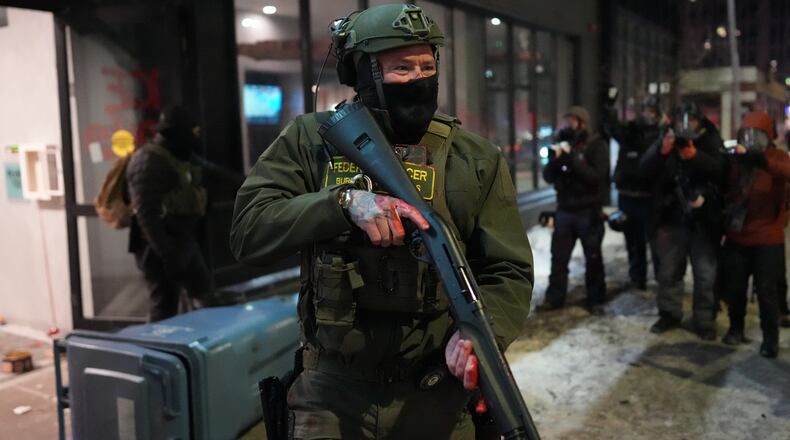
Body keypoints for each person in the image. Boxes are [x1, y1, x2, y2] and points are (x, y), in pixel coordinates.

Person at [229, 4, 534, 439]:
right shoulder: (310, 141)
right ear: (363, 74)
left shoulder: (474, 158)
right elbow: (248, 232)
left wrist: (481, 337)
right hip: (332, 393)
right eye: (401, 67)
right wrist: (341, 204)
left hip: (434, 391)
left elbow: (508, 270)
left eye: (427, 66)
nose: (418, 80)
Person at [126, 106, 235, 321]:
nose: (196, 137)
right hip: (157, 248)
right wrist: (167, 254)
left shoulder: (177, 153)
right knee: (164, 307)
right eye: (193, 132)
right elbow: (147, 216)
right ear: (177, 132)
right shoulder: (148, 162)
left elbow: (215, 173)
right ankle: (157, 352)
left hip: (182, 240)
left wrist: (255, 182)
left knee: (203, 294)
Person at [639, 102, 725, 340]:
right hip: (671, 219)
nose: (687, 127)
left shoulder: (710, 140)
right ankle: (669, 313)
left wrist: (696, 157)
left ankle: (705, 319)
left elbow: (721, 172)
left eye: (692, 121)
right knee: (669, 272)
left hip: (703, 221)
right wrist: (662, 150)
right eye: (682, 122)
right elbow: (644, 169)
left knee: (705, 274)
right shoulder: (667, 139)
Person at [720, 111, 790, 358]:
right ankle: (735, 328)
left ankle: (770, 339)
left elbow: (786, 171)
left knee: (767, 292)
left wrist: (764, 162)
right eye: (747, 135)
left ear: (768, 137)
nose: (751, 140)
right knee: (736, 288)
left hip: (767, 238)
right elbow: (723, 185)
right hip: (738, 236)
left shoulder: (777, 157)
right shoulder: (737, 161)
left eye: (757, 135)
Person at [538, 106, 610, 314]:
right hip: (565, 210)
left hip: (588, 211)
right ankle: (554, 298)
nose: (568, 125)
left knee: (593, 258)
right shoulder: (563, 144)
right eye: (566, 121)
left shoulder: (596, 146)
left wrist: (571, 160)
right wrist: (558, 158)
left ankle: (596, 299)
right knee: (558, 258)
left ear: (583, 123)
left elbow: (595, 177)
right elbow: (548, 176)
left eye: (572, 121)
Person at [607, 96, 667, 290]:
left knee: (657, 243)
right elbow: (614, 129)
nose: (647, 114)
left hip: (650, 197)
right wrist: (608, 108)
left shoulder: (661, 134)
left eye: (651, 111)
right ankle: (637, 277)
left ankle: (662, 280)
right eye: (645, 110)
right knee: (633, 241)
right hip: (629, 194)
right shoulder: (632, 132)